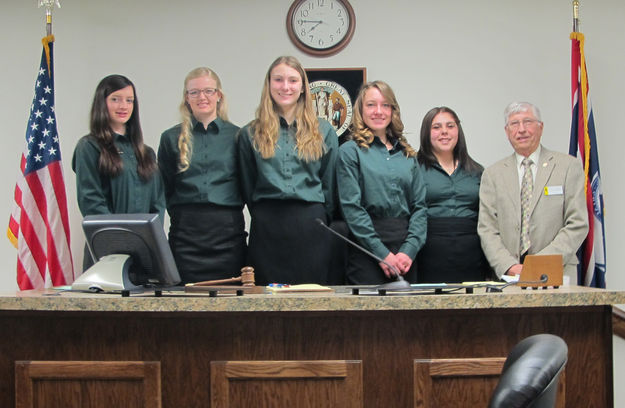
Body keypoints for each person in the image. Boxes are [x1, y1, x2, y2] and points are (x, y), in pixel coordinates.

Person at [238, 56, 338, 286]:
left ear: (302, 87)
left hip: (311, 225)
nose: (285, 86)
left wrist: (319, 216)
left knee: (312, 302)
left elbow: (329, 184)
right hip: (267, 227)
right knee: (266, 305)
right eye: (279, 80)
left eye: (293, 80)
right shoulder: (249, 134)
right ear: (269, 84)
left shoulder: (323, 131)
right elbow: (247, 184)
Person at [477, 101, 588, 282]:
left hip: (557, 273)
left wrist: (539, 264)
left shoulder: (568, 167)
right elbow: (487, 228)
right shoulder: (493, 174)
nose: (521, 129)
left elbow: (578, 223)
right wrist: (508, 266)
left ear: (540, 127)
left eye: (527, 122)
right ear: (507, 132)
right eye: (514, 124)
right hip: (508, 277)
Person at [158, 68, 246, 284]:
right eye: (194, 92)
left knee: (230, 306)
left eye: (208, 90)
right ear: (186, 98)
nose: (202, 97)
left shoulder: (238, 136)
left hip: (228, 234)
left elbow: (247, 184)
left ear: (219, 95)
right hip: (186, 235)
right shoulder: (170, 138)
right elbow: (165, 188)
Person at [337, 80, 426, 285]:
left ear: (393, 110)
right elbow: (352, 208)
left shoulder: (407, 154)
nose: (379, 111)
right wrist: (382, 254)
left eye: (385, 105)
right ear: (361, 109)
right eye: (371, 104)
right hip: (366, 247)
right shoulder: (350, 152)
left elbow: (420, 207)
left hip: (405, 253)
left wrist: (409, 250)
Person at [72, 74, 164, 270]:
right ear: (102, 102)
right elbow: (91, 202)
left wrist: (150, 244)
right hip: (108, 252)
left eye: (129, 100)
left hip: (144, 252)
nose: (123, 106)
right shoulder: (89, 147)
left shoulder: (146, 153)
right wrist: (120, 242)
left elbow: (157, 205)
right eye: (115, 99)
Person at [416, 107, 491, 283]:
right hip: (428, 253)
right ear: (426, 132)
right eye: (436, 127)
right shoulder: (413, 169)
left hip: (472, 254)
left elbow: (487, 218)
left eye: (450, 126)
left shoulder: (478, 172)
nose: (444, 132)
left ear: (458, 130)